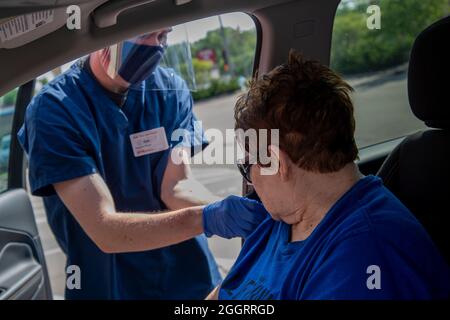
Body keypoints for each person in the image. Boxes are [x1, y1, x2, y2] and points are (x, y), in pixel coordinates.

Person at [17, 28, 266, 300]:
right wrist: (207, 218)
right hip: (111, 284)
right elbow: (104, 229)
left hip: (188, 279)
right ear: (104, 40)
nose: (156, 46)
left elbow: (175, 186)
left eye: (163, 35)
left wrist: (225, 207)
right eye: (146, 33)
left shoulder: (169, 91)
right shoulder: (54, 109)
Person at [206, 50, 450, 300]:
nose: (250, 182)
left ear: (276, 162)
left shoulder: (364, 258)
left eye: (247, 167)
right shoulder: (278, 223)